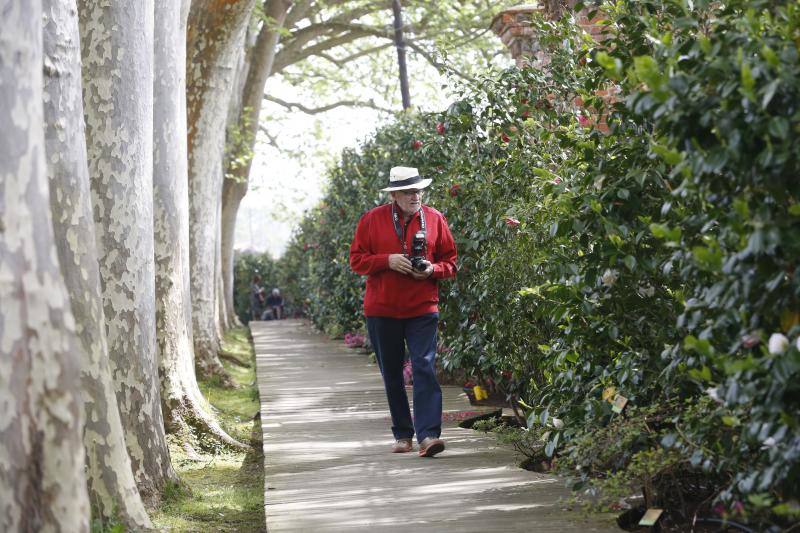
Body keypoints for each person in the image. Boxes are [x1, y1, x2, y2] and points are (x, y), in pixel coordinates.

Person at [349, 165, 457, 457]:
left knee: (423, 366)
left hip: (422, 308)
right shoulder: (371, 220)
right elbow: (356, 260)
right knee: (392, 374)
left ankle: (428, 436)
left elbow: (451, 262)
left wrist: (433, 269)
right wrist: (387, 261)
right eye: (409, 191)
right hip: (382, 310)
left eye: (418, 190)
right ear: (394, 195)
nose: (415, 195)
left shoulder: (435, 219)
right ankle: (402, 435)